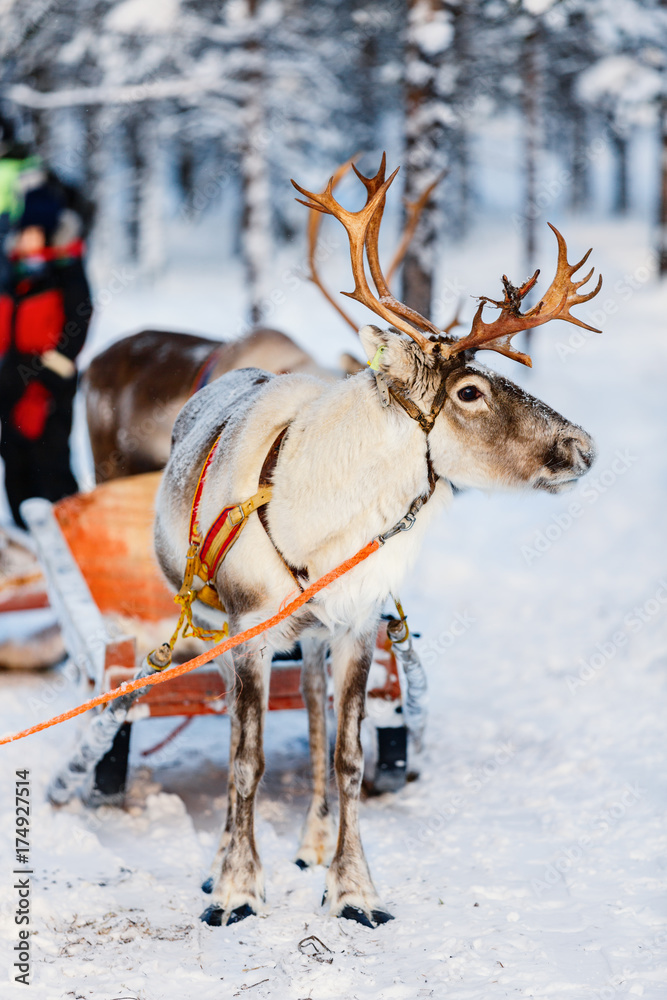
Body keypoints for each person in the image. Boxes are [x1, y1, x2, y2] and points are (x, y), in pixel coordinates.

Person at [0, 180, 92, 528]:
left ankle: (65, 530)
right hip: (11, 380)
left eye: (33, 231)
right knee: (13, 456)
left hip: (48, 383)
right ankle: (25, 530)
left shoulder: (66, 270)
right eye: (23, 232)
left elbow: (79, 317)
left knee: (49, 458)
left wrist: (51, 367)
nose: (25, 238)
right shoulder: (13, 270)